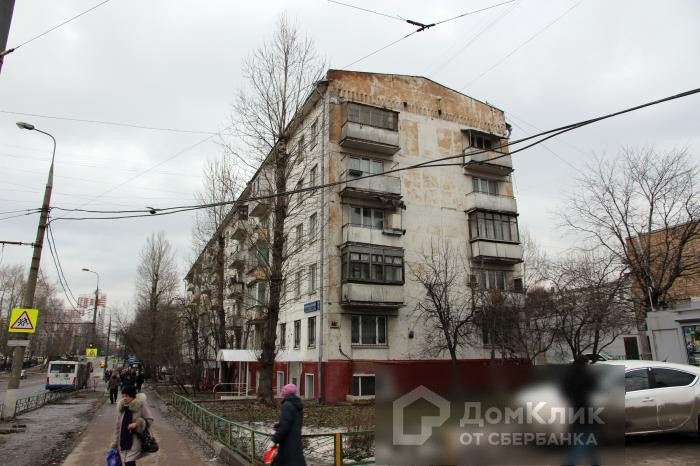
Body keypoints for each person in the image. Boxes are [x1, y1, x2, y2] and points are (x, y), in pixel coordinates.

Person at [111, 384, 154, 466]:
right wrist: (115, 443)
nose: (124, 398)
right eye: (123, 396)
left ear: (132, 396)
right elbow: (118, 427)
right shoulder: (122, 408)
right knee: (126, 462)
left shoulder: (141, 406)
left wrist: (137, 424)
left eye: (126, 396)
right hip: (122, 441)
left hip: (135, 440)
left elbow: (150, 419)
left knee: (129, 462)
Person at [271, 383, 306, 466]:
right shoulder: (297, 405)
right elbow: (292, 422)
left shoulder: (287, 405)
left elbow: (285, 426)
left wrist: (274, 440)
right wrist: (279, 425)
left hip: (288, 445)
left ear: (285, 394)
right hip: (296, 444)